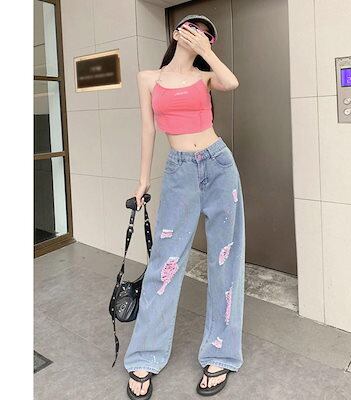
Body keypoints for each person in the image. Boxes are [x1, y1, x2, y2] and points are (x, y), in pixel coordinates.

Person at [124, 14, 245, 399]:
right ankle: (145, 354)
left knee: (225, 259)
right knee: (166, 262)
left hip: (219, 165)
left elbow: (231, 82)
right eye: (194, 29)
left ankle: (221, 353)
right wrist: (143, 180)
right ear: (177, 32)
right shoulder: (148, 78)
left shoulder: (206, 76)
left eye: (208, 34)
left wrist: (207, 52)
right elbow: (147, 129)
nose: (200, 35)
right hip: (179, 171)